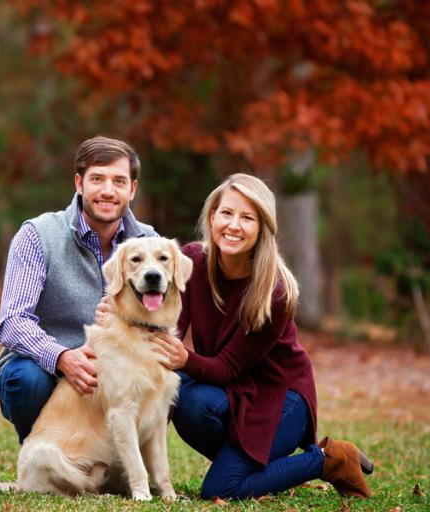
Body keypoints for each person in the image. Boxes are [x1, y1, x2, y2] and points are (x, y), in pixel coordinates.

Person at [148, 173, 373, 500]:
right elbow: (170, 328)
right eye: (226, 213)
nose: (233, 225)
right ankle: (247, 465)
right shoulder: (194, 261)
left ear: (262, 227)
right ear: (212, 217)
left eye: (247, 218)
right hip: (229, 394)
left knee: (220, 490)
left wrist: (183, 358)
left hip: (279, 398)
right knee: (187, 399)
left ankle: (329, 460)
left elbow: (226, 368)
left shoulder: (275, 292)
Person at [0, 136, 156, 444]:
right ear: (79, 183)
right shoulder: (38, 235)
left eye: (119, 181)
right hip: (50, 373)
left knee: (175, 378)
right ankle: (44, 456)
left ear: (132, 190)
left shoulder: (149, 242)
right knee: (24, 380)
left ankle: (115, 460)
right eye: (98, 179)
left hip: (118, 373)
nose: (108, 191)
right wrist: (62, 357)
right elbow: (12, 321)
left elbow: (165, 313)